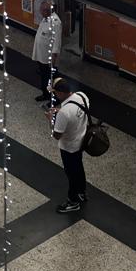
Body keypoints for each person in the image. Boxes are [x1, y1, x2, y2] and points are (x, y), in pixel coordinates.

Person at [48, 77, 89, 213]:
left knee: (71, 173)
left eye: (55, 93)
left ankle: (73, 201)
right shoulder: (82, 96)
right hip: (81, 141)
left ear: (60, 93)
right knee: (79, 168)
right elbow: (77, 115)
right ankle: (81, 192)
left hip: (69, 147)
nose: (54, 95)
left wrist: (51, 120)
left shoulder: (64, 113)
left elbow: (56, 135)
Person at [31, 0, 62, 103]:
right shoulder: (45, 19)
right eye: (41, 9)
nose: (41, 12)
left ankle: (55, 99)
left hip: (49, 59)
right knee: (44, 78)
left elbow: (56, 43)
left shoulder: (56, 23)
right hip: (41, 56)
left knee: (51, 80)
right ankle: (45, 94)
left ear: (50, 10)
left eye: (43, 10)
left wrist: (52, 61)